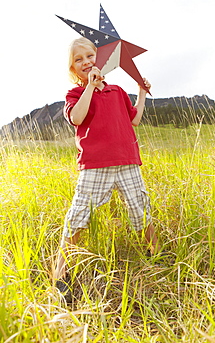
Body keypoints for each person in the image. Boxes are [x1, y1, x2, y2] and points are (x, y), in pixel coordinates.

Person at [54, 37, 160, 298]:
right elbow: (77, 117)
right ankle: (61, 272)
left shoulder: (117, 92)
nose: (86, 62)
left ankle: (157, 255)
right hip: (96, 164)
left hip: (127, 161)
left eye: (90, 56)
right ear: (73, 69)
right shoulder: (75, 94)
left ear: (100, 58)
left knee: (140, 209)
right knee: (79, 216)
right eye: (78, 60)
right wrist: (90, 87)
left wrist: (141, 92)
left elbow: (134, 119)